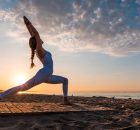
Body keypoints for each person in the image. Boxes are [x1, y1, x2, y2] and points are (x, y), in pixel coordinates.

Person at [0, 16, 70, 105]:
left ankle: (65, 100)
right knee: (22, 87)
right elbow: (35, 34)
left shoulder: (39, 49)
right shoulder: (39, 50)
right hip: (44, 73)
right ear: (37, 42)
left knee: (65, 80)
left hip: (47, 75)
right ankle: (1, 96)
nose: (40, 39)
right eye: (38, 39)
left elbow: (33, 35)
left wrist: (27, 26)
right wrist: (29, 23)